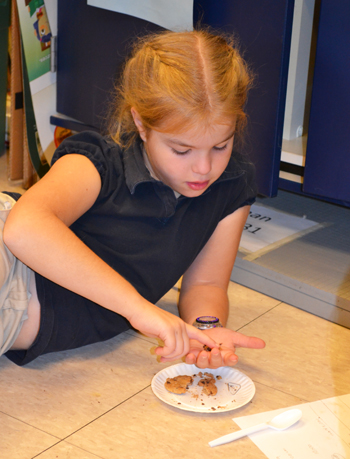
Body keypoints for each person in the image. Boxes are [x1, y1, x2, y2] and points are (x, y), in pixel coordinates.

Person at [1, 28, 265, 368]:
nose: (204, 167)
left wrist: (205, 333)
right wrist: (139, 309)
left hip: (17, 319)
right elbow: (23, 229)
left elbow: (208, 283)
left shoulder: (232, 183)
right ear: (141, 124)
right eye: (181, 149)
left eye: (220, 146)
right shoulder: (100, 159)